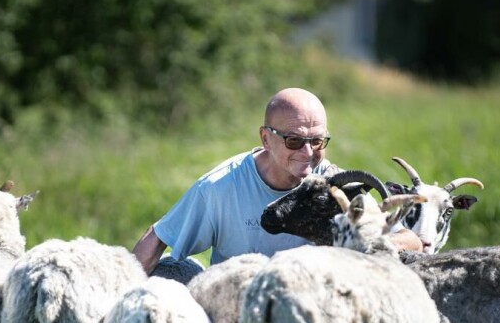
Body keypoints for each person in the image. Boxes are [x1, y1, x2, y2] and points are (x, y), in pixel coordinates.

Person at [131, 87, 420, 273]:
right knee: (171, 274)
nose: (308, 153)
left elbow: (410, 240)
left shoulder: (336, 188)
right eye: (294, 141)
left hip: (309, 312)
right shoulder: (220, 188)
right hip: (236, 310)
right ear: (266, 139)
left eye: (317, 141)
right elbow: (157, 239)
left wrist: (370, 246)